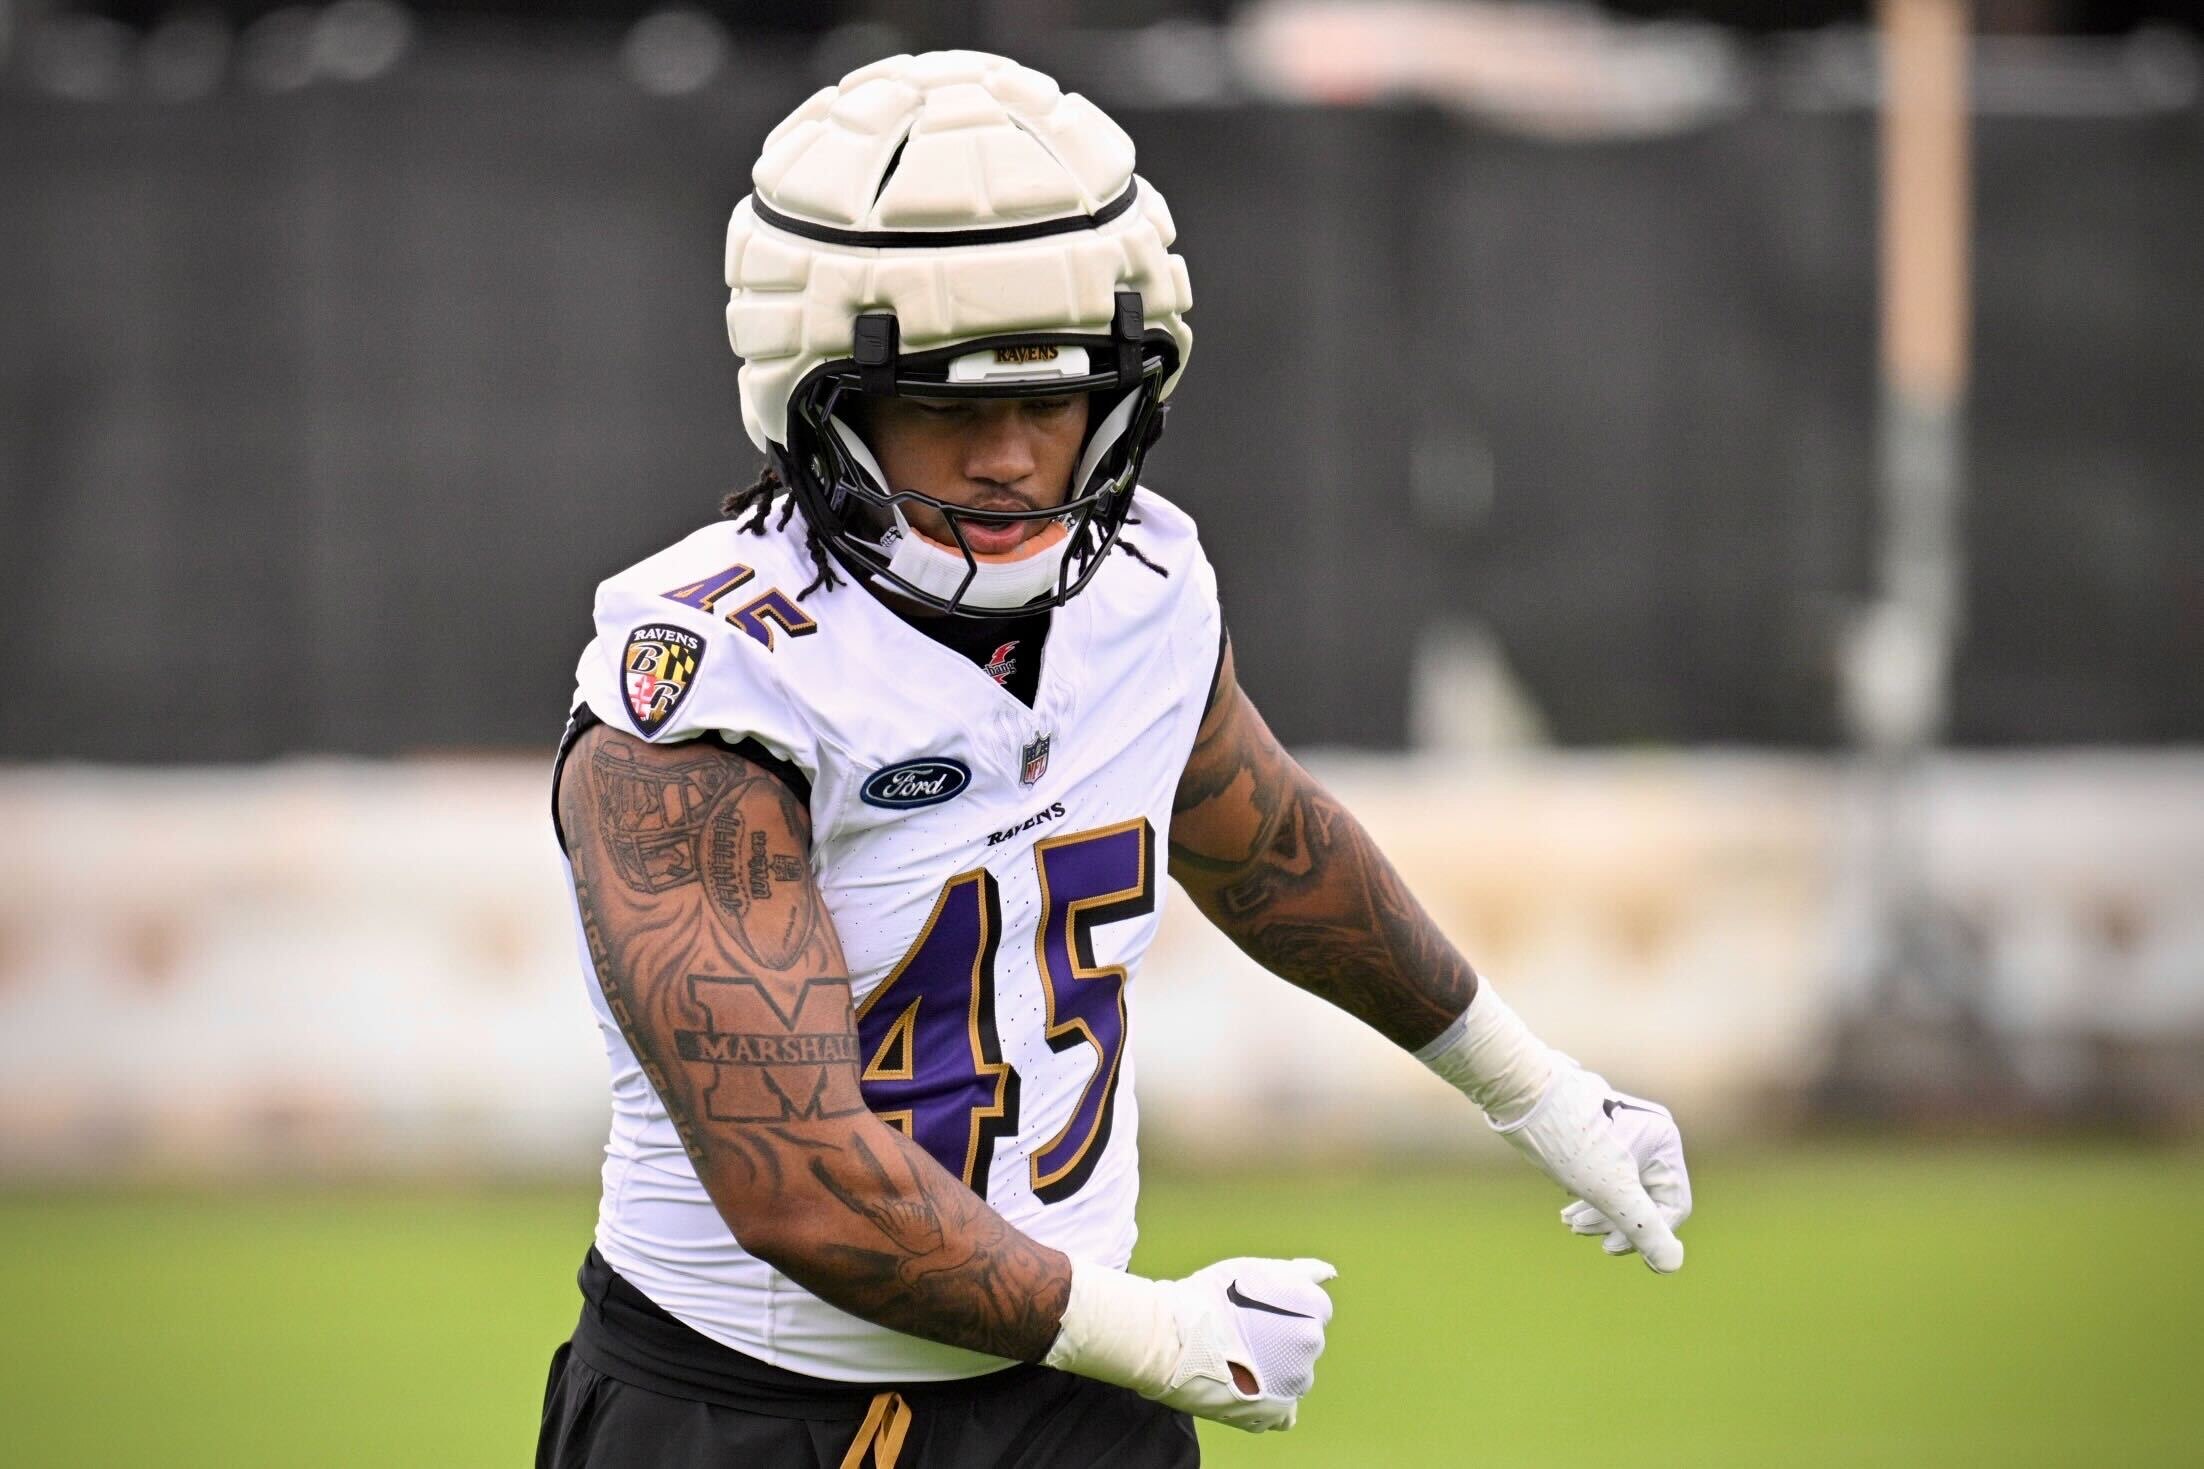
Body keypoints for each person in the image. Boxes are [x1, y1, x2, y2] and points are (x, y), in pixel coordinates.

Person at [538, 49, 1692, 1469]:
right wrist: (1156, 1336)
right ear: (821, 399)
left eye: (1060, 396)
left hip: (1072, 1398)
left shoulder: (1141, 587)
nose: (1021, 457)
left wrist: (1539, 1089)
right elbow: (799, 1184)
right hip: (761, 1405)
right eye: (957, 406)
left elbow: (1269, 845)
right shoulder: (711, 685)